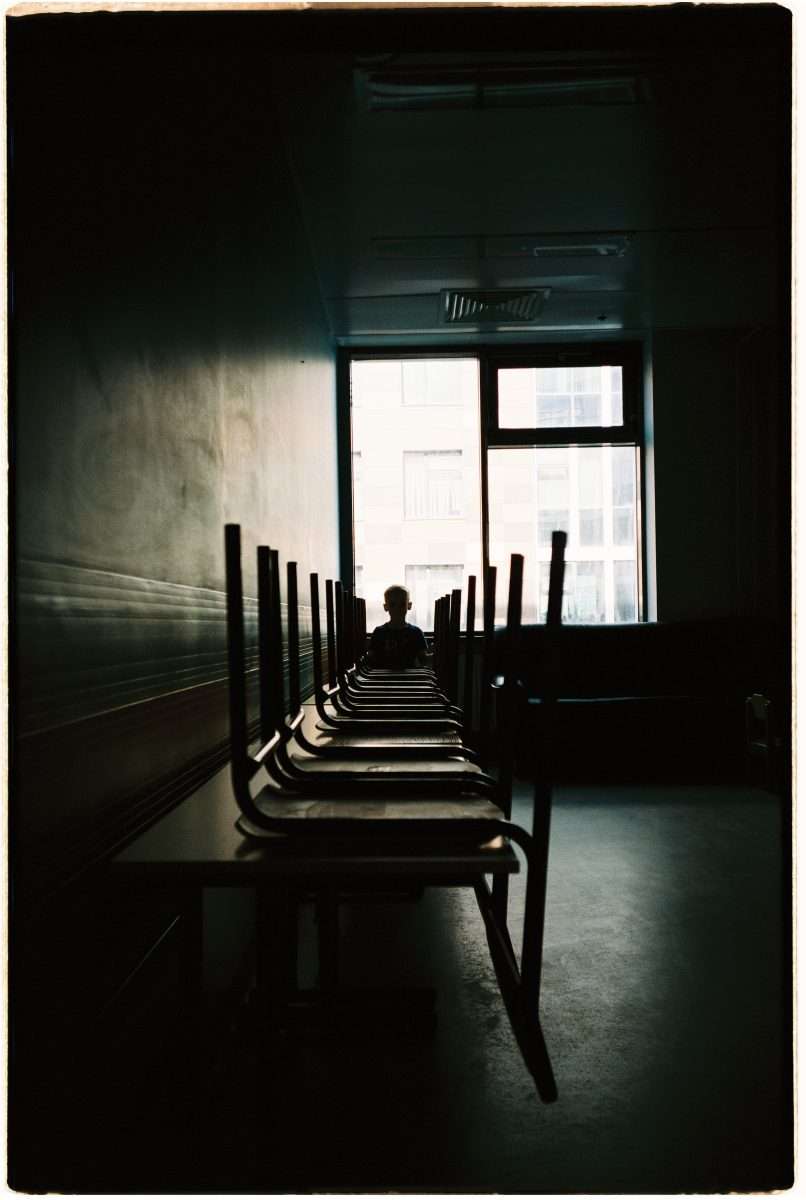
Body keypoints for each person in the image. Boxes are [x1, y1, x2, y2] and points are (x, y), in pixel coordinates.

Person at [367, 584, 430, 670]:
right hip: (382, 679)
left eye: (402, 604)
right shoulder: (378, 632)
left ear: (409, 605)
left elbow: (424, 660)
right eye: (393, 604)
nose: (397, 609)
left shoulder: (416, 632)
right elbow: (370, 660)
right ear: (386, 607)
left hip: (410, 680)